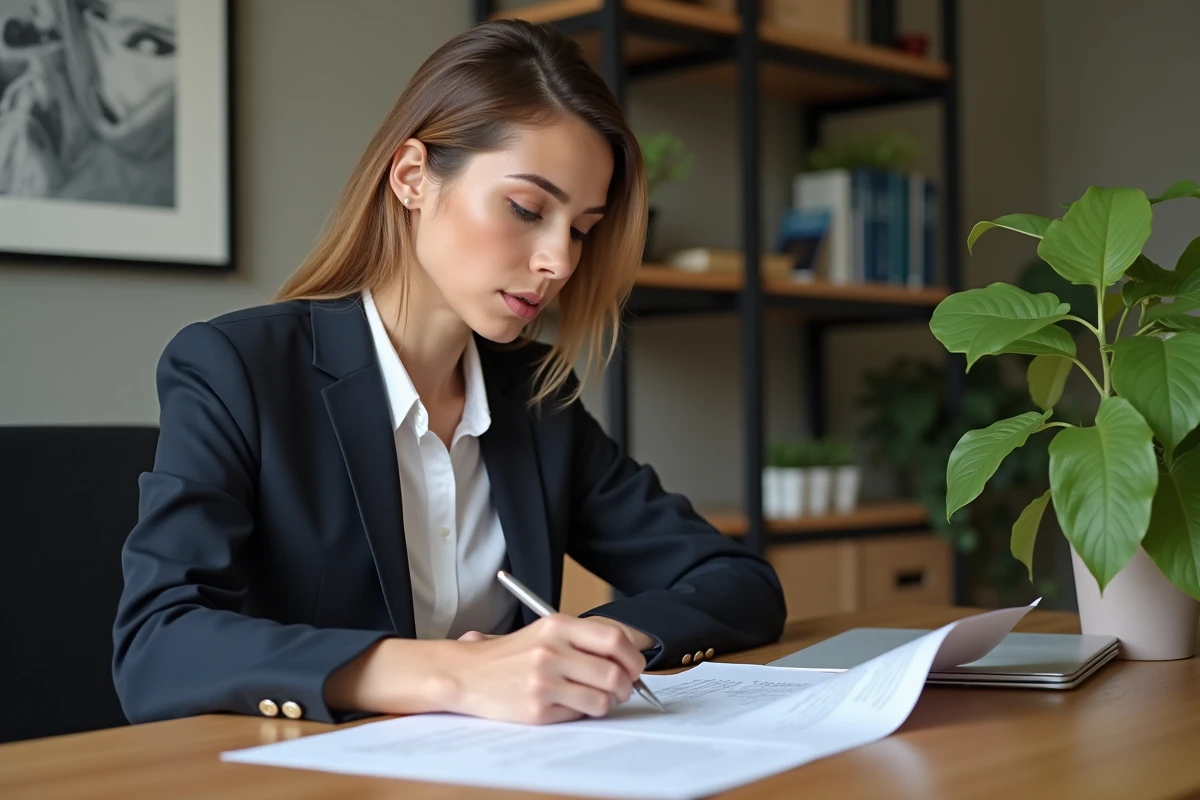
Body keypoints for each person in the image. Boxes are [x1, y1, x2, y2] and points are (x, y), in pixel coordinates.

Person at [111, 18, 787, 729]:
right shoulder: (237, 371)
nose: (559, 260)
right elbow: (158, 646)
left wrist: (606, 642)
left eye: (581, 228)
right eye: (526, 209)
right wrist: (453, 675)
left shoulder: (534, 398)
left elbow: (739, 583)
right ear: (412, 178)